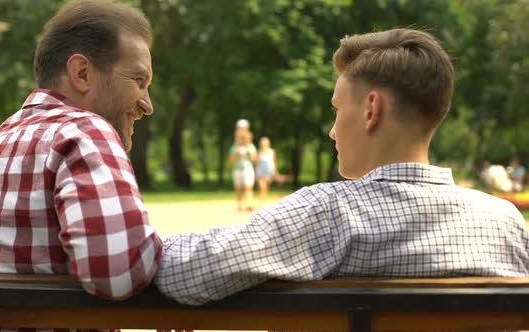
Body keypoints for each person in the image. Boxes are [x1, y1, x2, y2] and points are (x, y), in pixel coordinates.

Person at [155, 28, 529, 306]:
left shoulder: (329, 212)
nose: (333, 131)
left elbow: (181, 273)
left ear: (371, 109)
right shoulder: (506, 222)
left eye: (337, 110)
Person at [0, 0, 162, 321]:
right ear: (82, 73)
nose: (147, 105)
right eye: (139, 81)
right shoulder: (83, 130)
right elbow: (119, 271)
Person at [229, 120, 257, 211]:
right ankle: (240, 204)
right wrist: (237, 150)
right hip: (238, 169)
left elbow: (254, 159)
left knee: (248, 187)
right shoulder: (234, 147)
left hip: (248, 169)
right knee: (239, 188)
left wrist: (248, 146)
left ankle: (250, 203)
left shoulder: (251, 147)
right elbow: (231, 161)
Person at [255, 136, 278, 201]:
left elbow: (274, 162)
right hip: (260, 171)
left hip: (269, 171)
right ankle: (262, 197)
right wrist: (255, 172)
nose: (263, 144)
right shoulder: (258, 152)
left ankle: (264, 196)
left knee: (266, 186)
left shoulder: (272, 151)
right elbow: (256, 163)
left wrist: (276, 172)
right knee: (262, 185)